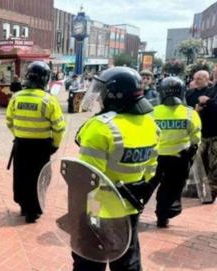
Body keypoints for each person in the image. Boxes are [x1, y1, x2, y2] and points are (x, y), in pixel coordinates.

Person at [73, 67, 159, 271]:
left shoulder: (100, 127)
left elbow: (88, 180)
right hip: (129, 207)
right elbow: (150, 171)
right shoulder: (150, 123)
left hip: (97, 209)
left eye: (102, 92)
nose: (99, 97)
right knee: (128, 263)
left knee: (89, 263)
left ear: (114, 95)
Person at [6, 61, 66, 223]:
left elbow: (9, 122)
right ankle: (34, 210)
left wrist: (19, 135)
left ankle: (24, 207)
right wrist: (55, 145)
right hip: (41, 148)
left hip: (20, 145)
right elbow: (59, 128)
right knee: (40, 177)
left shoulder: (16, 97)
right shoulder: (49, 100)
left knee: (21, 176)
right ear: (45, 79)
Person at [150, 77, 201, 228]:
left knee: (147, 185)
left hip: (155, 157)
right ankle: (163, 217)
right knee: (170, 188)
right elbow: (196, 138)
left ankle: (134, 213)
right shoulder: (190, 114)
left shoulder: (152, 112)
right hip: (179, 158)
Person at [189, 70, 217, 202]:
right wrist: (198, 109)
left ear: (206, 79)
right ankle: (196, 190)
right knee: (198, 163)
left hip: (215, 134)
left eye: (199, 78)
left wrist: (209, 102)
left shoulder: (210, 93)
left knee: (214, 166)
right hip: (202, 134)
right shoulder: (210, 91)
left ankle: (210, 194)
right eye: (215, 74)